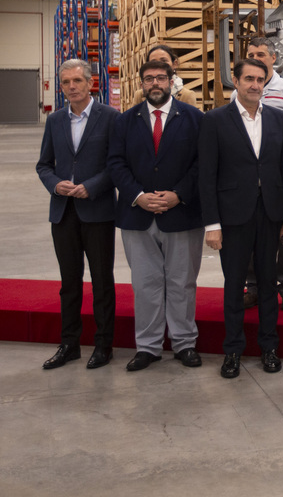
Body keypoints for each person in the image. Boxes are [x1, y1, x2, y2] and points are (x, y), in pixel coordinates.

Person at [199, 57, 283, 379]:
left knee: (269, 283)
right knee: (234, 285)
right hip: (232, 216)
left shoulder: (278, 119)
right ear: (236, 82)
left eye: (260, 80)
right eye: (249, 79)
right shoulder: (215, 120)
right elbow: (207, 175)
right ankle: (233, 350)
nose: (255, 85)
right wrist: (212, 225)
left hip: (269, 213)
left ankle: (269, 347)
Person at [107, 59, 204, 372]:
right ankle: (147, 347)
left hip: (183, 215)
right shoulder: (124, 122)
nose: (155, 84)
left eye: (161, 78)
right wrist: (138, 196)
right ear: (142, 83)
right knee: (145, 284)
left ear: (171, 80)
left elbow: (202, 164)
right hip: (138, 216)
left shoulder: (194, 119)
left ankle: (184, 343)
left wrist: (179, 194)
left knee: (182, 282)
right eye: (149, 79)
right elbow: (115, 164)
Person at [35, 59, 120, 370]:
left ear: (90, 83)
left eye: (77, 81)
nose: (72, 87)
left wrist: (92, 186)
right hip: (64, 213)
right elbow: (43, 165)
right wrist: (56, 185)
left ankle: (103, 345)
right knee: (69, 283)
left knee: (101, 281)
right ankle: (69, 344)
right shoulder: (55, 121)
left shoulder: (110, 118)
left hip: (97, 211)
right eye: (66, 82)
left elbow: (117, 165)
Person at [243, 36, 283, 312]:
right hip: (249, 177)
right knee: (251, 234)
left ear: (273, 58)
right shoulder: (240, 91)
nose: (257, 58)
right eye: (251, 54)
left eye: (261, 54)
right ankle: (254, 285)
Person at [146, 43, 197, 107]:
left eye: (164, 61)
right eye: (153, 62)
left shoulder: (186, 96)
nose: (159, 65)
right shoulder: (140, 96)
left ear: (174, 64)